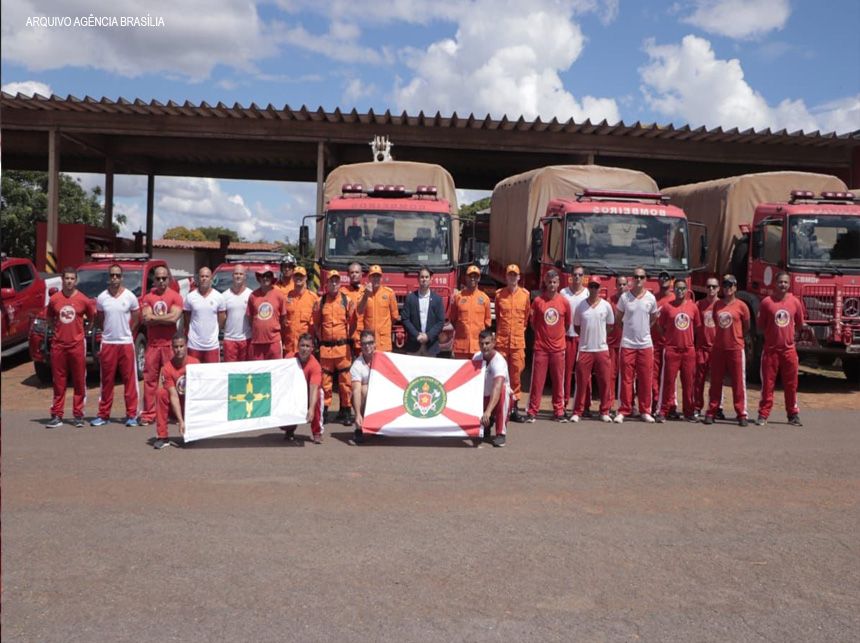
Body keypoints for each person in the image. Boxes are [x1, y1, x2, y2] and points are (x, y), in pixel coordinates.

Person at [45, 267, 96, 428]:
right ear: (62, 279)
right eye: (66, 278)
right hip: (58, 345)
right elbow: (49, 318)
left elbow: (92, 318)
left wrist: (83, 332)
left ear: (76, 281)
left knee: (79, 380)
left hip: (77, 345)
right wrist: (56, 331)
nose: (69, 281)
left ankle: (78, 415)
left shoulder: (83, 299)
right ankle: (57, 415)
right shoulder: (55, 299)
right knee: (59, 381)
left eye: (72, 279)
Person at [92, 263, 141, 427]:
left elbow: (136, 316)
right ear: (108, 277)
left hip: (125, 343)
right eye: (112, 275)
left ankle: (132, 415)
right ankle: (103, 415)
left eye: (117, 275)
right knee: (106, 381)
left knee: (130, 381)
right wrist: (107, 331)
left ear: (122, 277)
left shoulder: (130, 296)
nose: (115, 278)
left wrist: (129, 331)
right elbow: (100, 319)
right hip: (108, 343)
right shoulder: (102, 298)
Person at [756, 271, 805, 426]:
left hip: (789, 351)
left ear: (789, 284)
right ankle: (763, 414)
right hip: (770, 351)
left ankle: (793, 414)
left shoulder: (795, 302)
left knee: (791, 384)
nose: (782, 285)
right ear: (775, 284)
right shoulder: (767, 302)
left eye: (785, 282)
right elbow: (760, 326)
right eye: (780, 282)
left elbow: (800, 324)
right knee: (767, 385)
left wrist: (789, 337)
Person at [704, 274, 751, 426]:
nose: (727, 288)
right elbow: (716, 322)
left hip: (735, 348)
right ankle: (712, 411)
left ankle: (741, 413)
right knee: (716, 382)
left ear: (735, 287)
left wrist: (737, 337)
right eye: (724, 285)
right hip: (719, 348)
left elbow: (746, 326)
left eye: (730, 285)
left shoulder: (742, 306)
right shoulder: (717, 305)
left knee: (738, 382)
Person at [139, 265, 183, 425]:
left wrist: (155, 318)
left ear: (168, 279)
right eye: (158, 278)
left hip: (169, 346)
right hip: (152, 345)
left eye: (164, 278)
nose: (161, 281)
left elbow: (174, 318)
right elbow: (146, 318)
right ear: (154, 279)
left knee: (173, 380)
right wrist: (165, 317)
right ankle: (148, 415)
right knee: (150, 380)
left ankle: (173, 414)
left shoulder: (175, 296)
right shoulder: (148, 297)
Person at [614, 266, 658, 423]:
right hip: (628, 344)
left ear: (645, 279)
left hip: (645, 344)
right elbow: (618, 319)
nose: (638, 279)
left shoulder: (650, 298)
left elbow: (653, 318)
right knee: (626, 379)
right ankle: (624, 410)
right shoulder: (625, 298)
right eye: (636, 277)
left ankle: (645, 411)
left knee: (645, 378)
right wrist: (629, 331)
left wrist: (643, 330)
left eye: (641, 277)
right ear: (632, 279)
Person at [526, 270, 571, 423]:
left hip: (558, 349)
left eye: (554, 282)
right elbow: (533, 323)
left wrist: (557, 337)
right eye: (549, 282)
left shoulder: (564, 302)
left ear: (558, 284)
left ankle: (559, 411)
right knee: (537, 382)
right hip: (541, 348)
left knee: (558, 381)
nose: (552, 285)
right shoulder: (538, 301)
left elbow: (567, 324)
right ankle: (532, 411)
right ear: (545, 283)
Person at [314, 270, 357, 425]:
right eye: (331, 281)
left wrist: (347, 339)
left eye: (336, 281)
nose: (333, 283)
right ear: (326, 283)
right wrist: (322, 340)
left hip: (343, 350)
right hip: (326, 350)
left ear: (339, 283)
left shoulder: (347, 300)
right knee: (325, 382)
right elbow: (316, 324)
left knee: (345, 383)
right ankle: (324, 411)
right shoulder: (320, 302)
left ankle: (346, 412)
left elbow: (353, 323)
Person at [655, 278, 701, 422]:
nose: (680, 291)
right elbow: (660, 326)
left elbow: (697, 327)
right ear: (673, 290)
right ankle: (663, 411)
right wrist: (668, 339)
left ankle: (689, 412)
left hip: (688, 350)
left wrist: (689, 341)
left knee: (688, 383)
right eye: (677, 288)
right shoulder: (667, 307)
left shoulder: (693, 307)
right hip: (672, 350)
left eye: (682, 288)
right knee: (668, 382)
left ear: (687, 290)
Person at [570, 279, 615, 423]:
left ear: (600, 288)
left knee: (605, 381)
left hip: (601, 349)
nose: (594, 289)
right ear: (588, 287)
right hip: (585, 349)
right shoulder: (581, 306)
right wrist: (586, 337)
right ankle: (578, 411)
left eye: (596, 286)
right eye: (591, 286)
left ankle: (604, 411)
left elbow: (610, 325)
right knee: (581, 382)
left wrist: (600, 336)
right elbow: (577, 327)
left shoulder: (606, 306)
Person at [494, 264, 531, 422]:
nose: (512, 277)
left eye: (515, 275)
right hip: (502, 342)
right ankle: (499, 407)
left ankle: (514, 409)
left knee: (515, 377)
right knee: (500, 375)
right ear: (506, 277)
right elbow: (498, 317)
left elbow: (526, 319)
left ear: (519, 277)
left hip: (517, 343)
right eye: (510, 274)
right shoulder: (499, 295)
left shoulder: (525, 295)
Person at [153, 333, 199, 449]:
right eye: (176, 347)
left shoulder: (195, 363)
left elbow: (199, 391)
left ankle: (194, 432)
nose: (179, 349)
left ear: (186, 346)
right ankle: (162, 437)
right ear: (172, 348)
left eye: (181, 346)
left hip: (191, 406)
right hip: (176, 407)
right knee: (161, 393)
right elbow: (173, 395)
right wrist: (180, 421)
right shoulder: (167, 368)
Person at [283, 333, 325, 444]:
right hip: (294, 392)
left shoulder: (315, 366)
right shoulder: (289, 358)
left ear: (312, 348)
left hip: (309, 392)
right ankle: (289, 429)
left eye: (307, 346)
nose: (304, 349)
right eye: (302, 345)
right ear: (298, 346)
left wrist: (311, 408)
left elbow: (314, 388)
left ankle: (317, 432)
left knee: (318, 396)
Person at [560, 264, 589, 414]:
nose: (577, 277)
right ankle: (563, 404)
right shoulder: (563, 293)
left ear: (583, 277)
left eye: (580, 274)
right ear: (571, 276)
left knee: (584, 374)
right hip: (567, 337)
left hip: (583, 339)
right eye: (575, 274)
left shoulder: (588, 293)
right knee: (566, 373)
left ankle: (584, 405)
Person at [474, 329, 511, 448]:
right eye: (481, 344)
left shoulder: (499, 362)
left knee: (503, 391)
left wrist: (488, 411)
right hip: (483, 396)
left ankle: (501, 433)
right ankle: (485, 426)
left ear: (494, 343)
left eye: (487, 343)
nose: (484, 347)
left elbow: (497, 387)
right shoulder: (476, 357)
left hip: (497, 397)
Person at [183, 266, 225, 362]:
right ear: (198, 278)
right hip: (194, 345)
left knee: (212, 371)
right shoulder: (190, 297)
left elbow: (222, 318)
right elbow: (186, 318)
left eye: (207, 276)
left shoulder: (219, 297)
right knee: (194, 370)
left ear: (211, 279)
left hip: (212, 345)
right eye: (202, 276)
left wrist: (214, 331)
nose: (204, 278)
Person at [694, 276, 721, 420]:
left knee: (716, 380)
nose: (711, 289)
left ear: (718, 289)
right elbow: (694, 326)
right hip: (702, 348)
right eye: (708, 286)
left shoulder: (722, 305)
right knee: (699, 380)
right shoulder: (699, 304)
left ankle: (717, 407)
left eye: (714, 286)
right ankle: (697, 407)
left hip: (717, 349)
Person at [450, 265, 491, 359]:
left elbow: (487, 322)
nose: (473, 279)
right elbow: (453, 319)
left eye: (475, 276)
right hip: (461, 347)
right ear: (466, 277)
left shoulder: (485, 298)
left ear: (479, 278)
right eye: (470, 276)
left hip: (478, 348)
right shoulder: (458, 297)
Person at [402, 266, 445, 356]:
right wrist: (416, 335)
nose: (424, 279)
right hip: (413, 345)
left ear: (431, 279)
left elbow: (440, 321)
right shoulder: (410, 298)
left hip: (430, 346)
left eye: (426, 277)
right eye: (422, 277)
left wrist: (428, 336)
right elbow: (405, 319)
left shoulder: (437, 299)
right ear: (418, 279)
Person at [246, 269, 287, 360]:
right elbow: (250, 318)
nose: (265, 278)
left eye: (268, 276)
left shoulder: (279, 295)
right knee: (258, 369)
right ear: (259, 278)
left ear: (272, 278)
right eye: (262, 276)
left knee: (276, 368)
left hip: (274, 342)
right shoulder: (253, 296)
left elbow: (283, 319)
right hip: (257, 342)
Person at [357, 265, 399, 352]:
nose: (376, 278)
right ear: (369, 278)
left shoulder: (389, 293)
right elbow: (359, 311)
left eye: (378, 276)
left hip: (384, 342)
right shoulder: (363, 293)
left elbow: (394, 316)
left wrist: (384, 327)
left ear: (381, 278)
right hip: (369, 342)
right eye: (373, 276)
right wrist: (366, 295)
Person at [651, 271, 675, 415]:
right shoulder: (652, 299)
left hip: (669, 344)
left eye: (667, 277)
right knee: (653, 376)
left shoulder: (675, 299)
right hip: (653, 343)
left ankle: (670, 405)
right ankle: (656, 403)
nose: (664, 280)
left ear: (671, 280)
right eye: (661, 277)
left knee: (669, 377)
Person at [283, 266, 319, 357]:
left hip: (306, 348)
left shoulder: (313, 298)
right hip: (289, 347)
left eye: (301, 276)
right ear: (292, 278)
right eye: (296, 276)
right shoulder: (286, 297)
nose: (298, 278)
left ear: (306, 278)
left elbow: (318, 323)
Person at [221, 264, 252, 362]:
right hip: (229, 339)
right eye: (236, 274)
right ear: (232, 276)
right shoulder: (224, 296)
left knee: (246, 369)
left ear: (245, 276)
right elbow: (222, 318)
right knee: (230, 369)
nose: (238, 276)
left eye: (241, 274)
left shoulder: (251, 295)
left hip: (246, 339)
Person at [350, 330, 376, 444]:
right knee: (364, 390)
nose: (367, 346)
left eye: (370, 342)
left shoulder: (383, 359)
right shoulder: (357, 365)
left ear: (375, 343)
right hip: (365, 397)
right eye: (364, 343)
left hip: (381, 395)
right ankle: (359, 428)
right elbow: (356, 390)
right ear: (360, 345)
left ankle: (378, 425)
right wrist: (357, 414)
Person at [607, 275, 628, 413]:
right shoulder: (610, 302)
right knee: (611, 376)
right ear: (616, 286)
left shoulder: (631, 301)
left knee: (627, 377)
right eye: (619, 284)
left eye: (624, 284)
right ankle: (609, 405)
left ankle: (628, 404)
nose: (621, 287)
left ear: (628, 285)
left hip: (627, 344)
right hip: (612, 344)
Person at [341, 262, 365, 351]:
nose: (354, 274)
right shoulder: (342, 292)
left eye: (357, 272)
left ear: (361, 274)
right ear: (348, 274)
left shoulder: (367, 292)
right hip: (347, 336)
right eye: (352, 272)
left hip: (363, 337)